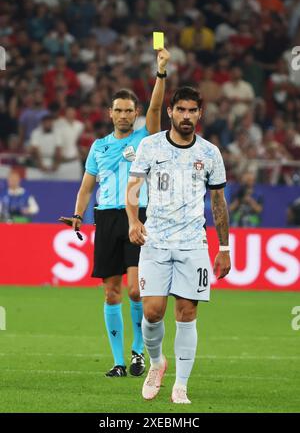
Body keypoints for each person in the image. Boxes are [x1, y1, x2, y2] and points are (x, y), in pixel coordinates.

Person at [59, 48, 170, 377]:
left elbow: (156, 107)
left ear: (136, 113)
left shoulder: (146, 138)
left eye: (129, 110)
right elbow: (85, 187)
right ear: (110, 113)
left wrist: (160, 73)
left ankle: (138, 352)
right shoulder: (98, 146)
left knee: (136, 289)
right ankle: (119, 362)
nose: (124, 115)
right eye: (118, 110)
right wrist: (78, 214)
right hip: (105, 218)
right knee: (111, 291)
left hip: (138, 215)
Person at [126, 86, 231, 404]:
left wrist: (224, 248)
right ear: (170, 111)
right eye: (181, 110)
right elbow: (133, 188)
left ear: (201, 114)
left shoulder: (210, 153)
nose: (187, 116)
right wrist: (133, 220)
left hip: (193, 245)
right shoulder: (150, 145)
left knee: (187, 313)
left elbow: (218, 201)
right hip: (155, 241)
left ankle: (181, 386)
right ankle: (157, 363)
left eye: (193, 110)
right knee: (153, 311)